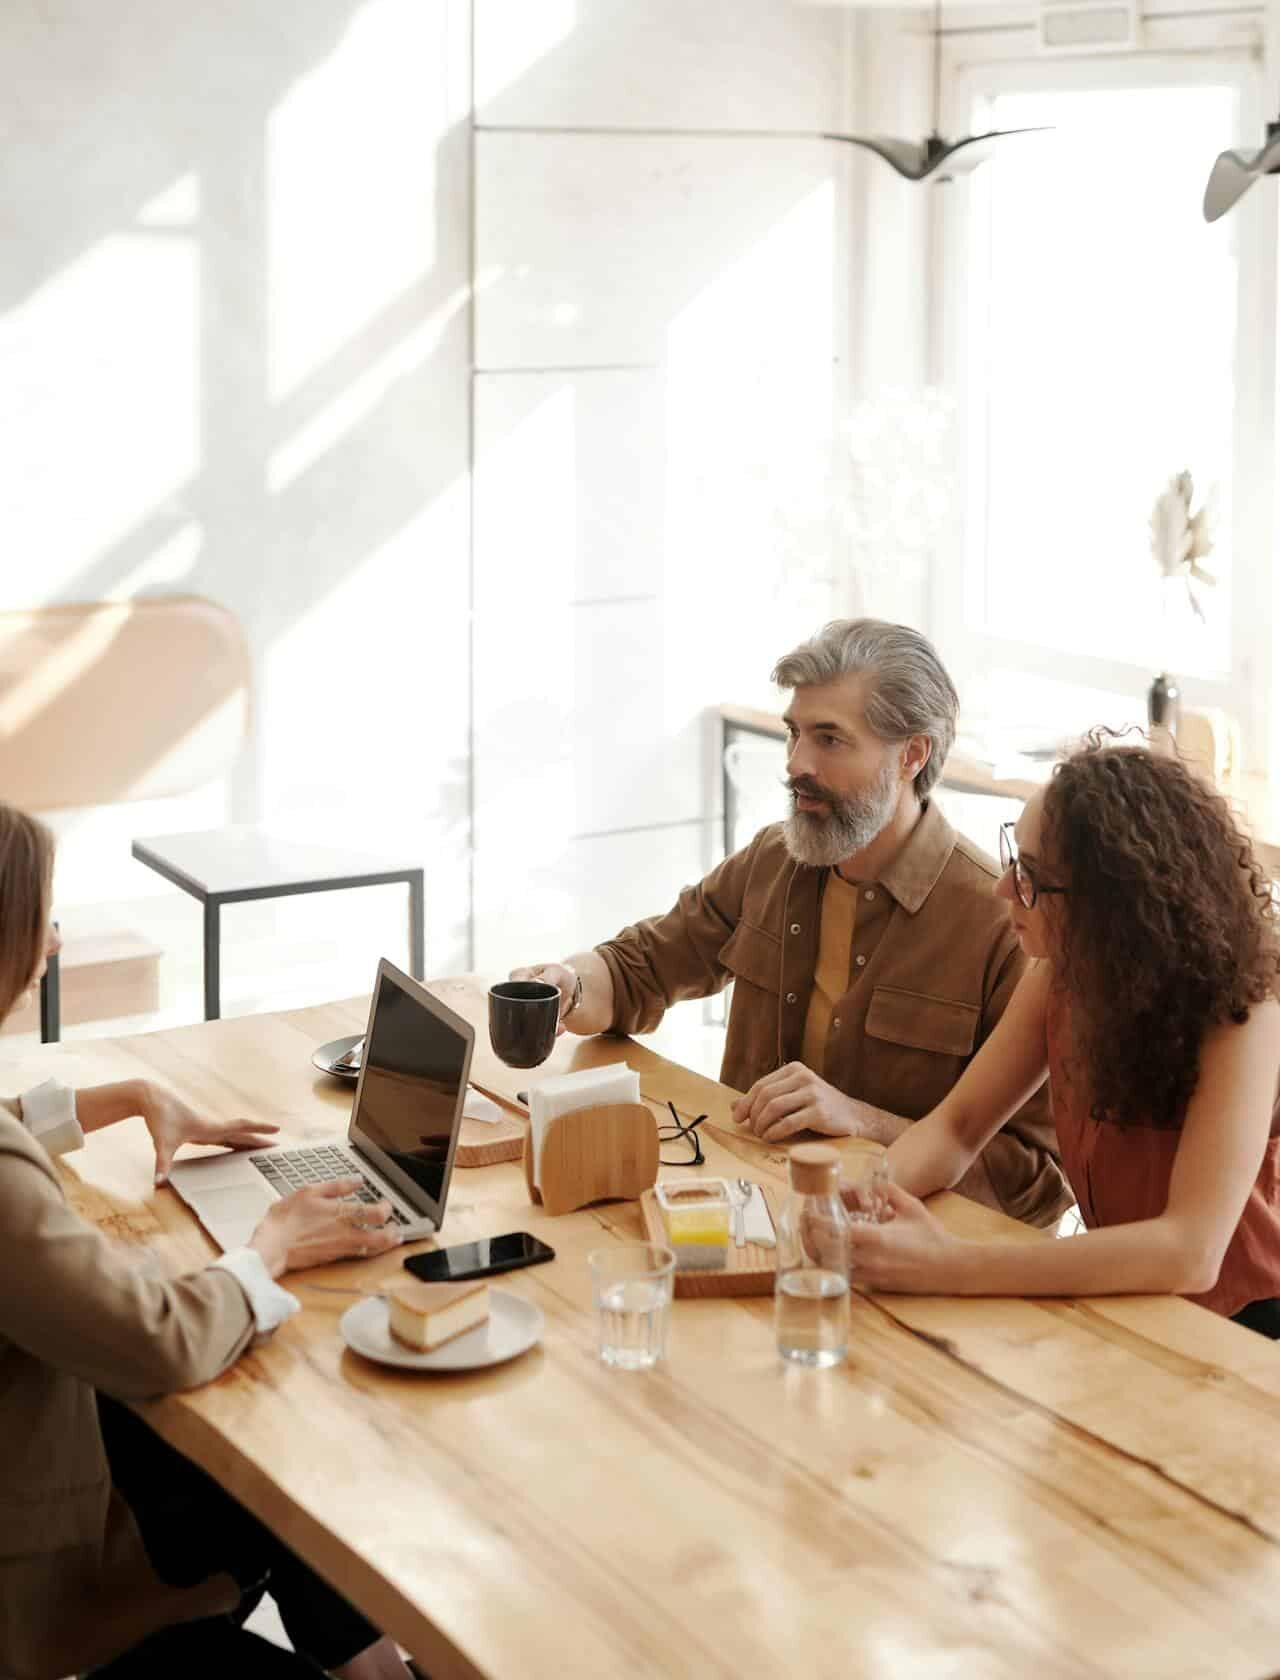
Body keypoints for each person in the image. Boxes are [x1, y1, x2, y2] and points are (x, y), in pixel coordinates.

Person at [0, 803, 414, 1678]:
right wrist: (271, 1249)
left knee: (263, 1464)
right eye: (44, 921)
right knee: (276, 1461)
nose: (58, 945)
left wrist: (128, 1097)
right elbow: (159, 1338)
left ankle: (374, 1663)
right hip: (33, 1583)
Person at [514, 619, 1071, 1229]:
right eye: (794, 733)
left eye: (830, 740)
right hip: (748, 1218)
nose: (796, 763)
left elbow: (1038, 1183)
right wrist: (568, 983)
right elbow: (636, 971)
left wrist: (864, 1121)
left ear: (912, 755)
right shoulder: (774, 859)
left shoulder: (1001, 922)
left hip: (907, 1254)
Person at [846, 737, 1280, 1335]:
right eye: (1013, 861)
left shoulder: (1245, 1012)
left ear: (1115, 903)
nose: (1004, 891)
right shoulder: (1061, 974)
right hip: (1127, 1301)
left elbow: (1190, 1251)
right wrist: (855, 1201)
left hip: (1244, 1328)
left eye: (1031, 877)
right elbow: (956, 1129)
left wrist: (950, 1263)